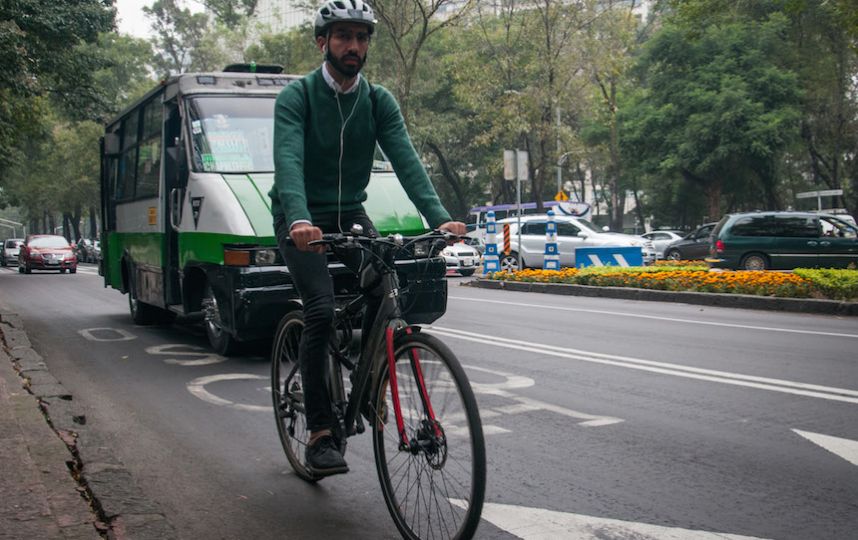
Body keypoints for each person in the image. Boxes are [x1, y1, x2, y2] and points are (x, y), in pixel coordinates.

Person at [269, 0, 466, 477]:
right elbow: (289, 162)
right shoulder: (296, 98)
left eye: (361, 37)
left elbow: (406, 160)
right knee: (318, 310)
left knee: (385, 287)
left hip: (348, 214)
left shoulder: (377, 101)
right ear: (323, 42)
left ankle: (372, 384)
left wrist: (438, 217)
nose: (354, 46)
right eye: (343, 37)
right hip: (301, 219)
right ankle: (319, 432)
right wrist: (297, 219)